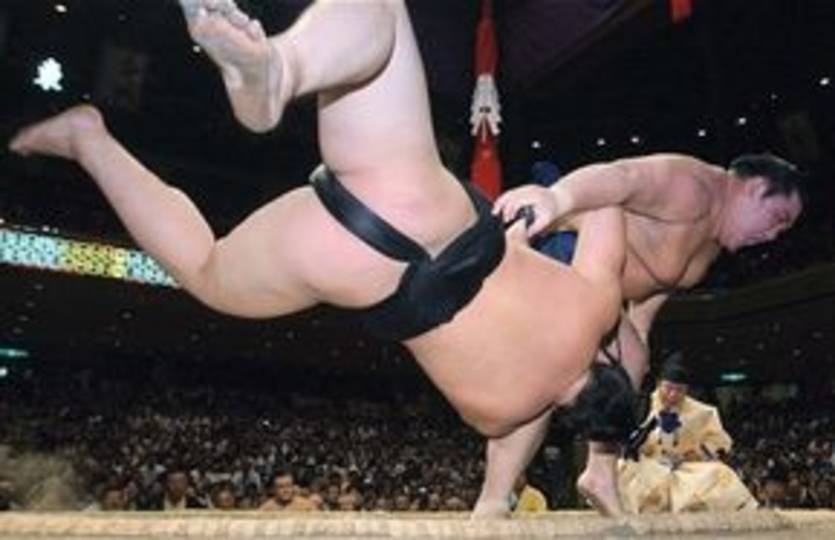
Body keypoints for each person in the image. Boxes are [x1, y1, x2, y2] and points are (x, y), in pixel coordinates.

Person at [9, 0, 634, 519]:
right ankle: (89, 142)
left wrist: (551, 210)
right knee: (206, 270)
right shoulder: (503, 411)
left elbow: (609, 202)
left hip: (423, 202)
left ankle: (284, 66)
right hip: (357, 262)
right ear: (570, 415)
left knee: (383, 12)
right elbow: (520, 433)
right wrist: (496, 501)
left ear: (608, 363)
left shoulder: (596, 306)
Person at [490, 151, 804, 516]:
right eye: (778, 218)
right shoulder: (694, 187)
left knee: (630, 363)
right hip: (560, 250)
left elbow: (649, 295)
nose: (773, 235)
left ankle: (598, 473)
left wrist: (636, 348)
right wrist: (556, 198)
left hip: (597, 290)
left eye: (783, 231)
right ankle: (494, 497)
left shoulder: (711, 245)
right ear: (755, 188)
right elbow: (621, 177)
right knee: (551, 381)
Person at [616, 358, 758, 513]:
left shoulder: (702, 412)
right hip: (648, 466)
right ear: (659, 384)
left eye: (679, 390)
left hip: (686, 469)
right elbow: (624, 439)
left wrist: (695, 453)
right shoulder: (641, 405)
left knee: (720, 473)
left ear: (687, 390)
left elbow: (719, 442)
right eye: (668, 388)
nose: (672, 395)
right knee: (622, 467)